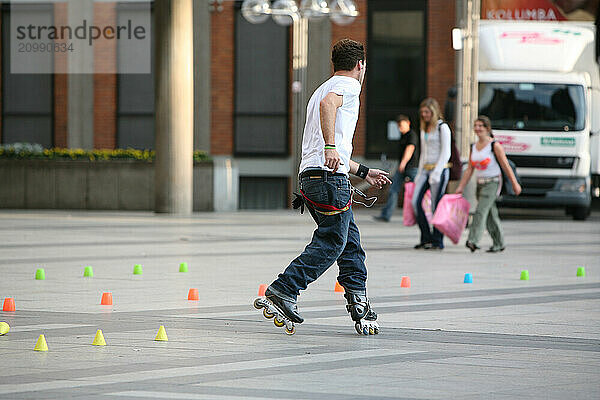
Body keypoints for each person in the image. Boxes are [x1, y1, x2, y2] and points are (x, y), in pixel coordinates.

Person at [253, 39, 391, 336]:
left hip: (314, 178)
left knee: (349, 241)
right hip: (329, 180)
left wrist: (365, 172)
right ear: (360, 65)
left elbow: (334, 149)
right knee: (333, 241)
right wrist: (330, 146)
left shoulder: (321, 88)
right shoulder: (348, 86)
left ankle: (359, 302)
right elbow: (331, 120)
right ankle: (284, 289)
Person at [455, 116, 522, 253]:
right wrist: (461, 186)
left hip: (493, 183)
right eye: (476, 125)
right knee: (490, 214)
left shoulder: (494, 145)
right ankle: (499, 242)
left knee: (480, 211)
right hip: (480, 183)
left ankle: (473, 240)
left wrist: (515, 184)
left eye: (481, 126)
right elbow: (469, 169)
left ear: (487, 128)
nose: (478, 128)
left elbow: (506, 166)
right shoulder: (473, 147)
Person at [412, 98, 451, 250]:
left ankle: (437, 240)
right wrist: (419, 173)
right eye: (422, 112)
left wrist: (437, 172)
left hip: (439, 170)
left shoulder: (443, 127)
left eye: (427, 112)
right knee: (416, 202)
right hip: (425, 169)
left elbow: (446, 152)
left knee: (436, 206)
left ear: (434, 111)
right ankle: (425, 237)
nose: (424, 115)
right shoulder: (425, 127)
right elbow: (423, 152)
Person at [373, 115, 419, 222]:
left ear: (408, 123)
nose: (400, 128)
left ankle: (419, 216)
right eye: (398, 126)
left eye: (401, 125)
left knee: (416, 192)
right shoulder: (403, 136)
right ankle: (386, 215)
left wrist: (403, 164)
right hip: (402, 167)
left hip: (412, 167)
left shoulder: (412, 135)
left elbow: (410, 149)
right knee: (393, 190)